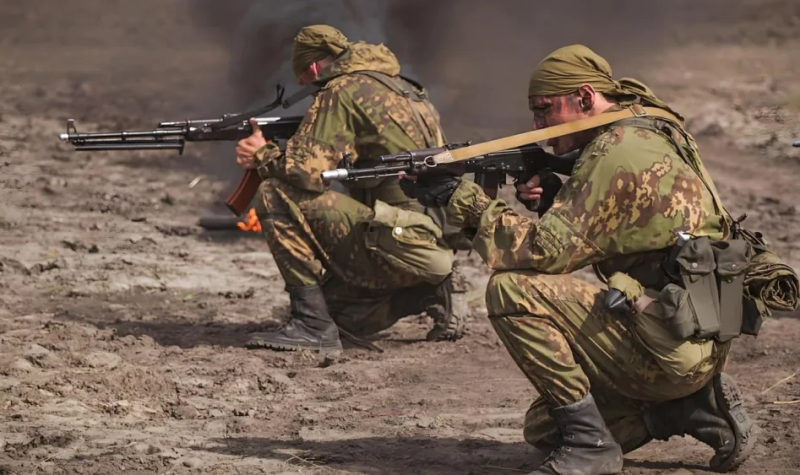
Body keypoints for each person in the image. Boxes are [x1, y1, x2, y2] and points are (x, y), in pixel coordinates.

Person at [400, 44, 764, 474]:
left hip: (668, 342)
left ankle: (593, 448)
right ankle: (689, 409)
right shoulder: (646, 125)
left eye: (545, 111)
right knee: (544, 428)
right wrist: (557, 195)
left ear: (586, 98)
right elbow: (632, 224)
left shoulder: (616, 151)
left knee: (512, 290)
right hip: (688, 331)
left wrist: (461, 199)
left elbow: (544, 254)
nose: (538, 127)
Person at [233, 25, 470, 354]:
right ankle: (427, 290)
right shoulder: (407, 89)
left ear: (314, 67)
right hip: (428, 241)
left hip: (397, 243)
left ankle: (311, 326)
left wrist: (261, 154)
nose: (311, 88)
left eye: (307, 81)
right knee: (340, 317)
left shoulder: (341, 90)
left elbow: (305, 172)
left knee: (274, 191)